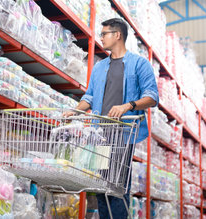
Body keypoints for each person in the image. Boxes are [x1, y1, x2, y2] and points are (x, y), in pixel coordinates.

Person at [64, 17, 158, 219]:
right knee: (100, 188)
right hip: (100, 135)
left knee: (117, 189)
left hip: (123, 135)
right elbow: (89, 96)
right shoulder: (100, 67)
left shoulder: (139, 64)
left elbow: (152, 97)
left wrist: (129, 105)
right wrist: (75, 110)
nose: (101, 38)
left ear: (117, 35)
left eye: (104, 34)